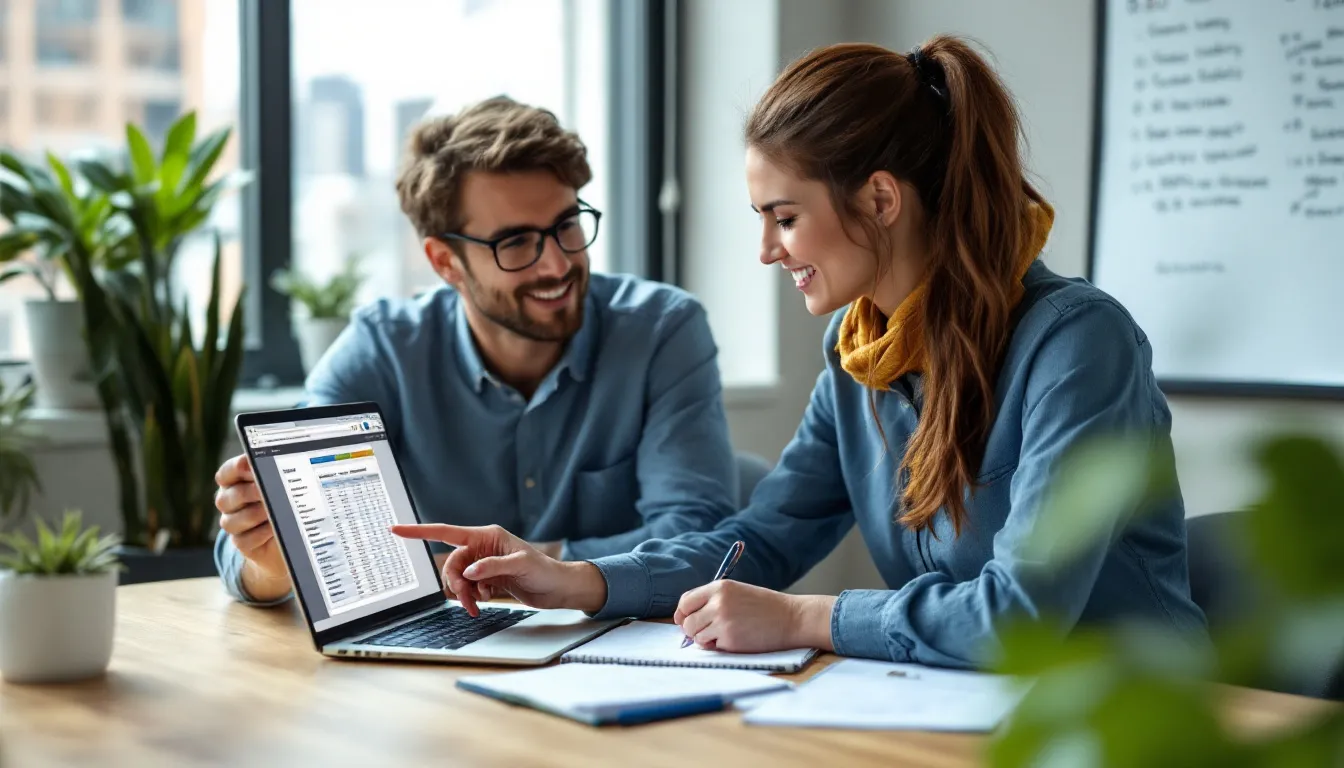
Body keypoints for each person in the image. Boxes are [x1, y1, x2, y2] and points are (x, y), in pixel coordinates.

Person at [391, 37, 1209, 668]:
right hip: (970, 710)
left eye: (783, 217)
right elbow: (765, 538)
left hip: (1143, 717)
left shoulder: (1076, 344)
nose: (766, 251)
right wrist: (581, 581)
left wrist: (805, 617)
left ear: (880, 199)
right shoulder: (857, 354)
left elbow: (1021, 614)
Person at [213, 96, 738, 606]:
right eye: (515, 243)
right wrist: (272, 563)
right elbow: (260, 540)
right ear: (445, 262)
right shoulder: (386, 349)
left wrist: (547, 570)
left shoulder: (661, 331)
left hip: (625, 653)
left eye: (566, 226)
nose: (556, 265)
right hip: (441, 662)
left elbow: (700, 537)